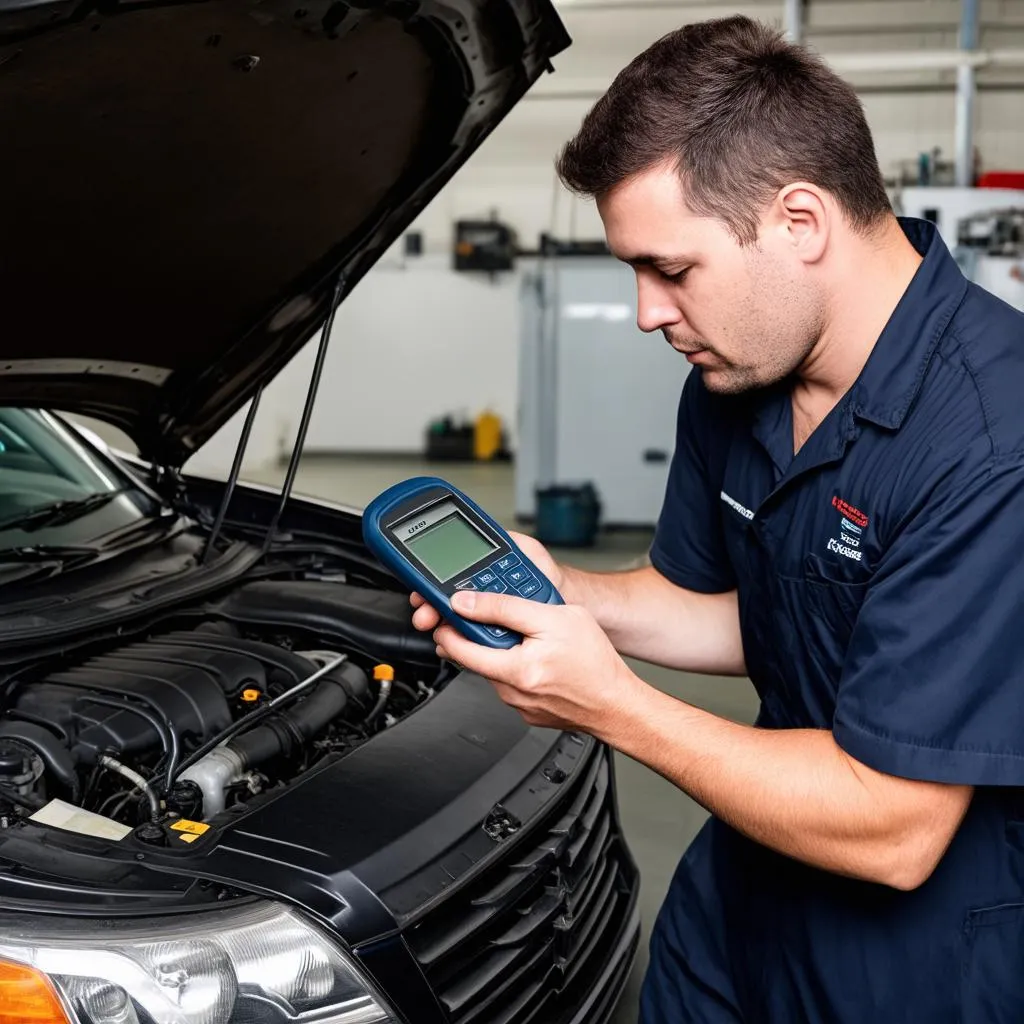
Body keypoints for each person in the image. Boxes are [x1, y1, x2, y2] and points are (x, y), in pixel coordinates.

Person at [410, 16, 1024, 1023]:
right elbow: (735, 607)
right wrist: (563, 597)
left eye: (671, 269)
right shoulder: (738, 371)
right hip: (742, 890)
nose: (650, 312)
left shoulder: (991, 439)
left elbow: (894, 824)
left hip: (911, 954)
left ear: (798, 221)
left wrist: (609, 702)